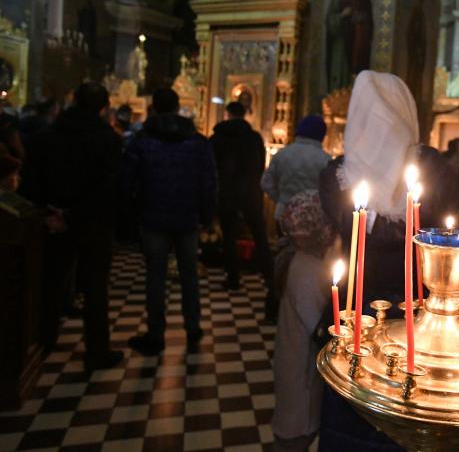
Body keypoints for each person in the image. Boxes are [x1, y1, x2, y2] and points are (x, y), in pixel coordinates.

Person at [318, 70, 459, 450]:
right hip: (415, 314)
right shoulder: (430, 169)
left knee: (366, 413)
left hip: (364, 310)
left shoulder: (337, 175)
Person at [25, 82, 122, 369]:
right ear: (103, 107)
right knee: (95, 287)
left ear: (73, 101)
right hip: (93, 222)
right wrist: (75, 213)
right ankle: (96, 350)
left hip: (53, 220)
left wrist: (51, 212)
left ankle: (43, 340)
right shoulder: (108, 139)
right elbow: (108, 187)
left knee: (51, 281)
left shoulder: (47, 136)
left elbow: (32, 181)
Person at [122, 88, 217, 356]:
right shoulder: (197, 141)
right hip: (187, 217)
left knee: (156, 276)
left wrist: (131, 213)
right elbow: (209, 182)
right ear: (177, 108)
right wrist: (207, 216)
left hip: (152, 216)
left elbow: (127, 179)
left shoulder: (142, 140)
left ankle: (155, 333)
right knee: (189, 275)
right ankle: (193, 327)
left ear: (154, 108)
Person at [272, 190, 335, 452]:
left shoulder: (299, 259)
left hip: (292, 355)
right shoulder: (308, 268)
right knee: (297, 424)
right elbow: (315, 326)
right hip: (300, 362)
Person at [211, 101, 273, 294]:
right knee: (260, 235)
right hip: (250, 193)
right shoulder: (254, 138)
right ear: (244, 114)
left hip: (226, 192)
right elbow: (261, 164)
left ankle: (233, 278)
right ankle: (269, 278)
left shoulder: (217, 138)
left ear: (227, 114)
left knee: (229, 236)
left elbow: (211, 167)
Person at [262, 114, 331, 221]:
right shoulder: (325, 159)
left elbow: (266, 183)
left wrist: (281, 199)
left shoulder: (283, 154)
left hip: (284, 212)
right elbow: (329, 191)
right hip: (312, 217)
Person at [326, 0, 373, 92]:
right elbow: (330, 17)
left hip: (359, 40)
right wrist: (342, 15)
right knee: (341, 69)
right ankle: (336, 97)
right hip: (341, 38)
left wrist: (362, 19)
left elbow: (369, 19)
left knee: (356, 70)